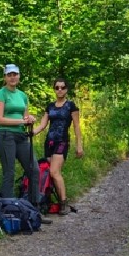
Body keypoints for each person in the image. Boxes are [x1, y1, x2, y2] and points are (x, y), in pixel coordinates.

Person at [32, 77, 84, 215]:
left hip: (62, 142)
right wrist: (30, 133)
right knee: (51, 172)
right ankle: (52, 200)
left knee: (54, 172)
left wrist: (79, 145)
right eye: (57, 87)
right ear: (54, 89)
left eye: (62, 87)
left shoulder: (71, 106)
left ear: (66, 89)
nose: (60, 90)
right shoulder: (50, 106)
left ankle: (63, 203)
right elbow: (42, 125)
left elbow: (77, 126)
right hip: (49, 142)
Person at [0, 64, 39, 204]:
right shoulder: (1, 93)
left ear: (19, 76)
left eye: (15, 74)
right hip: (5, 135)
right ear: (5, 77)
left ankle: (34, 206)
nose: (12, 77)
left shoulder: (22, 95)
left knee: (34, 169)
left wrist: (30, 119)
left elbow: (25, 117)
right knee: (9, 172)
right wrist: (21, 121)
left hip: (21, 136)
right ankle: (8, 207)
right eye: (9, 75)